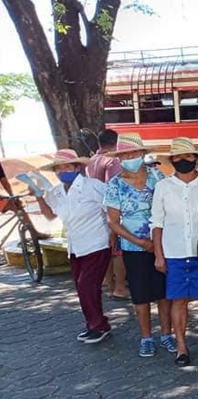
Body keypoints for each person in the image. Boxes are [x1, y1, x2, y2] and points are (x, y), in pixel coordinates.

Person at [151, 138, 198, 366]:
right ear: (172, 160)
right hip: (174, 252)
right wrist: (159, 255)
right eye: (178, 157)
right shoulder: (163, 187)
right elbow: (157, 223)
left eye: (188, 156)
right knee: (178, 300)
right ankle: (181, 346)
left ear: (196, 158)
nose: (183, 160)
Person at [102, 133, 173, 357]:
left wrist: (158, 241)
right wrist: (141, 242)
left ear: (142, 154)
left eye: (133, 153)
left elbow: (168, 208)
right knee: (141, 295)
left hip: (162, 244)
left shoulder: (157, 176)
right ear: (119, 158)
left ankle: (167, 334)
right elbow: (113, 221)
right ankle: (146, 338)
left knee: (163, 292)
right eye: (125, 155)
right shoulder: (115, 185)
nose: (130, 157)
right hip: (134, 248)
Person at [33, 150, 112, 344]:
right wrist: (38, 196)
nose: (62, 171)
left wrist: (114, 236)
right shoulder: (56, 192)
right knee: (82, 287)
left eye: (67, 166)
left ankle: (98, 325)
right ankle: (93, 323)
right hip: (75, 246)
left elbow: (111, 209)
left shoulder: (93, 186)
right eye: (58, 168)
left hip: (97, 243)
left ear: (77, 167)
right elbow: (50, 215)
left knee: (87, 286)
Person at [85, 130, 128, 299]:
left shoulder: (92, 160)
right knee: (117, 250)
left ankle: (109, 283)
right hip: (111, 210)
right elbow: (113, 187)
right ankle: (119, 287)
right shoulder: (112, 161)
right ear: (115, 143)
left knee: (107, 249)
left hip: (97, 211)